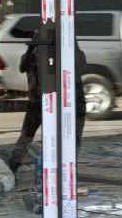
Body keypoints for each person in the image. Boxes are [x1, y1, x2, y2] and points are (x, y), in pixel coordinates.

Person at [8, 28, 87, 173]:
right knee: (26, 137)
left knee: (66, 139)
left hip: (55, 104)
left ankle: (66, 168)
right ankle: (13, 166)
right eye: (36, 38)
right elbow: (22, 67)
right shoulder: (31, 56)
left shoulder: (62, 55)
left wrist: (72, 43)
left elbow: (81, 66)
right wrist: (30, 48)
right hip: (36, 103)